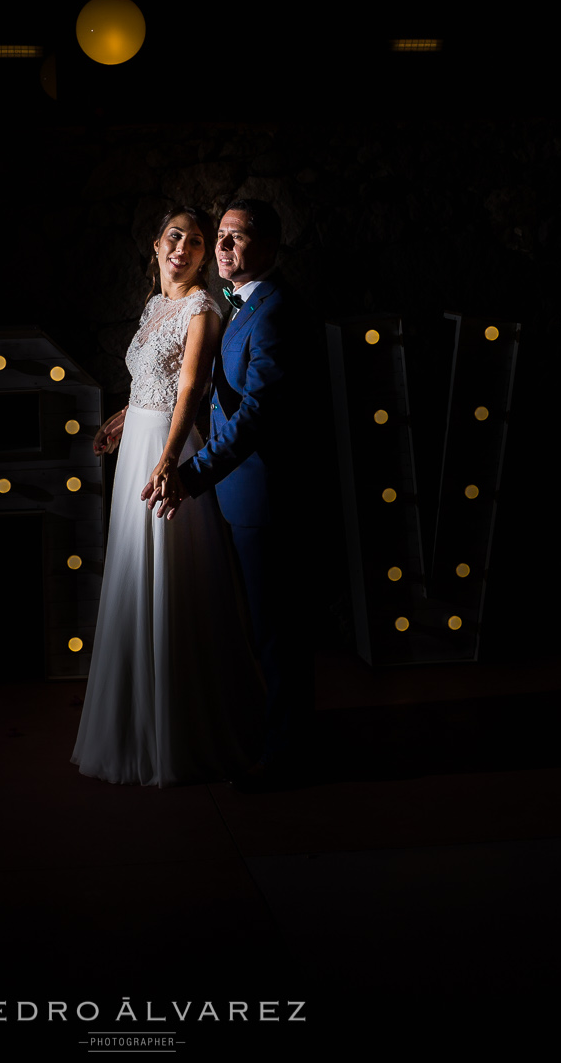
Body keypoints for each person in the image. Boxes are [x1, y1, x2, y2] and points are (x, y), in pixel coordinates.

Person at [70, 205, 267, 787]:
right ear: (156, 246)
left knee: (176, 580)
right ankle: (133, 724)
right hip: (142, 440)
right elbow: (151, 379)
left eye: (198, 241)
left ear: (204, 256)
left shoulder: (202, 309)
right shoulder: (154, 306)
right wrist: (128, 415)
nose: (184, 247)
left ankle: (181, 729)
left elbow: (191, 387)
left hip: (171, 449)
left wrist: (166, 458)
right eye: (175, 237)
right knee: (134, 575)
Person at [143, 197, 317, 792]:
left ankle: (287, 755)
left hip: (266, 499)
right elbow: (203, 389)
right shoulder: (240, 308)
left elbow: (258, 414)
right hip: (239, 498)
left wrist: (193, 473)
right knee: (261, 629)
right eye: (221, 236)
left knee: (278, 634)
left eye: (237, 238)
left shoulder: (274, 311)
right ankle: (273, 736)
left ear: (268, 246)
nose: (223, 247)